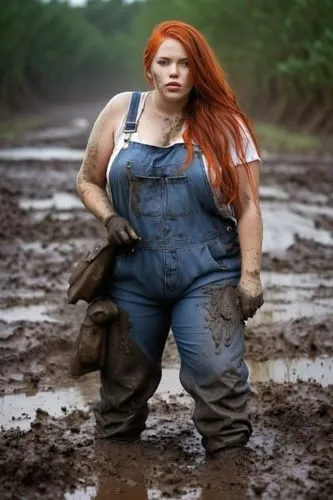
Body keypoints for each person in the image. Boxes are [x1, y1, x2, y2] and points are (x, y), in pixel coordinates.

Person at [76, 20, 263, 459]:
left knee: (219, 377)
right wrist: (110, 218)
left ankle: (230, 466)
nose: (175, 72)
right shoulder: (122, 112)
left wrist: (250, 276)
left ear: (198, 70)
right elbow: (87, 180)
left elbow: (249, 207)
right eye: (165, 63)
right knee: (122, 386)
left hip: (208, 272)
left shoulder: (226, 124)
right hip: (132, 274)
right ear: (150, 69)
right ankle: (116, 469)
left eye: (185, 63)